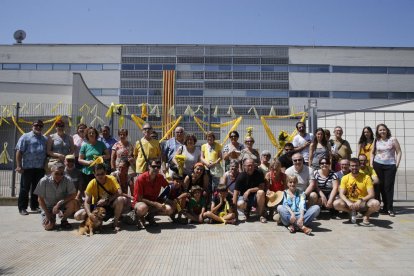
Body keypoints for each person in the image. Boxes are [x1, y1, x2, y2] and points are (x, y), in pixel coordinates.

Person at [74, 164, 127, 232]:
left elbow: (120, 192)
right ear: (94, 174)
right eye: (97, 174)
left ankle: (115, 223)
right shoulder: (92, 183)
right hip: (97, 209)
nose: (100, 176)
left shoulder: (111, 179)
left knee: (120, 199)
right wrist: (90, 214)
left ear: (105, 172)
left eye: (102, 173)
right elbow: (86, 202)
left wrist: (107, 200)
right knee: (77, 215)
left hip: (109, 206)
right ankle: (92, 223)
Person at [333, 158, 380, 225]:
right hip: (350, 203)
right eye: (352, 166)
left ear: (359, 166)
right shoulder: (345, 178)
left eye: (356, 165)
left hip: (362, 203)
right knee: (336, 204)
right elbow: (341, 193)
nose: (354, 167)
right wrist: (348, 202)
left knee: (376, 204)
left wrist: (360, 200)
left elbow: (371, 194)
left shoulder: (366, 177)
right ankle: (351, 212)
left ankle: (366, 215)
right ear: (349, 166)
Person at [15, 120, 48, 215]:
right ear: (32, 126)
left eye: (40, 126)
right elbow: (19, 152)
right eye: (36, 125)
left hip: (40, 168)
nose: (38, 127)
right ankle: (22, 208)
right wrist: (18, 166)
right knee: (24, 188)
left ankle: (34, 206)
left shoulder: (44, 138)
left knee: (36, 189)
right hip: (27, 168)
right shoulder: (25, 137)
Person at [34, 162, 79, 230]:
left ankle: (64, 220)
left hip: (61, 204)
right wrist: (48, 214)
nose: (59, 176)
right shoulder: (44, 181)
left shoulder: (68, 179)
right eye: (56, 173)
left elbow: (73, 195)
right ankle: (52, 220)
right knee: (49, 226)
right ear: (51, 172)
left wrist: (59, 203)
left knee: (73, 202)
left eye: (61, 174)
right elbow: (40, 199)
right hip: (48, 207)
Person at [133, 159, 174, 229]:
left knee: (169, 209)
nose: (156, 168)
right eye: (154, 166)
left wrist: (177, 182)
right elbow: (139, 198)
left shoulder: (160, 177)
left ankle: (150, 216)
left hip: (154, 202)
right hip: (141, 202)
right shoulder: (141, 179)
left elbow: (168, 184)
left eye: (158, 167)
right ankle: (139, 217)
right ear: (149, 166)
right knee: (142, 208)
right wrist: (155, 204)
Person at [371, 123, 402, 217]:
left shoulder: (393, 139)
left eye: (384, 129)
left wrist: (396, 165)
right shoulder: (376, 140)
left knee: (388, 187)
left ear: (387, 130)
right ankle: (382, 208)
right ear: (377, 132)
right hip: (378, 165)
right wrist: (371, 163)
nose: (382, 131)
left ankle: (390, 208)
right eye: (380, 130)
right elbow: (372, 152)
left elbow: (399, 152)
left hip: (390, 166)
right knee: (379, 186)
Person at [77, 127, 110, 199]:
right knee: (87, 192)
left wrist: (102, 157)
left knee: (98, 191)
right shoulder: (84, 146)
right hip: (87, 172)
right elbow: (80, 159)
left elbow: (108, 155)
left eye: (93, 133)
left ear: (96, 134)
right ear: (87, 135)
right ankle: (88, 205)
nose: (91, 134)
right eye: (89, 133)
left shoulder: (101, 144)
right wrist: (88, 162)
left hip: (99, 172)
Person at [232, 158, 266, 223]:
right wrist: (235, 213)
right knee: (240, 203)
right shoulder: (240, 176)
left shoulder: (259, 173)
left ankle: (261, 215)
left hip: (256, 197)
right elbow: (235, 193)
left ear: (254, 166)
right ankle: (246, 210)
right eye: (248, 165)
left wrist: (249, 190)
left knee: (261, 192)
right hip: (244, 198)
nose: (250, 167)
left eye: (252, 165)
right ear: (244, 166)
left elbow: (262, 187)